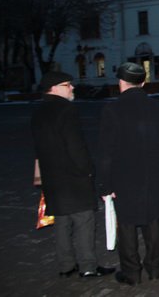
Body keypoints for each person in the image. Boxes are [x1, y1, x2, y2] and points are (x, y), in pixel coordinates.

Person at [31, 71, 115, 278]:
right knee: (84, 221)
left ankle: (66, 266)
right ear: (55, 88)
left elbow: (39, 148)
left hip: (52, 179)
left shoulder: (39, 112)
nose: (72, 88)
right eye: (68, 85)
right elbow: (75, 146)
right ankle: (88, 267)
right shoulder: (66, 110)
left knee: (61, 223)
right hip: (73, 178)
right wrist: (87, 170)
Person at [98, 62, 159, 286]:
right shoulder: (158, 108)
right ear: (143, 83)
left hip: (123, 175)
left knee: (127, 223)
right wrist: (154, 160)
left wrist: (104, 184)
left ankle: (132, 271)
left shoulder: (112, 110)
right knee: (152, 218)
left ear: (121, 83)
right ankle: (154, 266)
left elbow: (105, 152)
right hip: (150, 173)